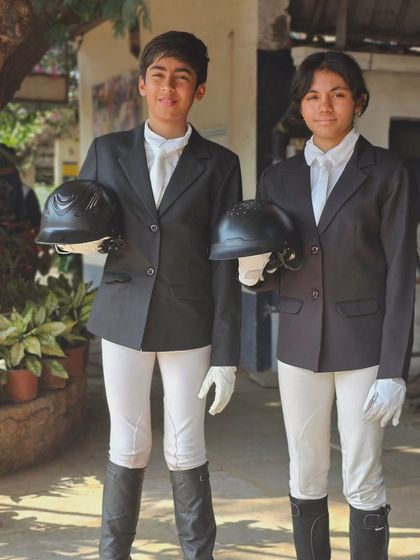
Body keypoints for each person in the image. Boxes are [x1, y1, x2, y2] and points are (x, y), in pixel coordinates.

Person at [238, 51, 416, 559]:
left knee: (363, 475)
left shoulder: (386, 172)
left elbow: (401, 272)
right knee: (305, 470)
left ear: (357, 101)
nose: (325, 105)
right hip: (297, 343)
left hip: (364, 348)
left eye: (337, 93)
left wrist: (393, 369)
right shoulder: (279, 177)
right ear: (300, 105)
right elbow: (274, 263)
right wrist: (252, 273)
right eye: (313, 96)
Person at [76, 31, 242, 559]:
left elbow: (226, 259)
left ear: (200, 89)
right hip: (123, 317)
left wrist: (228, 353)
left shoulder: (221, 164)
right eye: (159, 75)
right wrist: (71, 242)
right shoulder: (106, 151)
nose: (169, 86)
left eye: (182, 77)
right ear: (143, 84)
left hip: (190, 322)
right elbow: (79, 224)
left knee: (185, 444)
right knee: (126, 443)